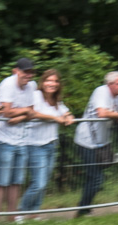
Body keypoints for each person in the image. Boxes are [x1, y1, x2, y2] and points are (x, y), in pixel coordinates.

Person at [74, 71, 118, 217]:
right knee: (96, 178)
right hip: (86, 141)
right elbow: (102, 113)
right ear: (110, 84)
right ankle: (82, 209)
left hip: (102, 143)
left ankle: (85, 208)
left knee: (93, 178)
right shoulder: (101, 91)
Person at [0, 57, 37, 222]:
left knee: (16, 180)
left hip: (20, 138)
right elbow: (6, 112)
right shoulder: (7, 84)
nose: (28, 75)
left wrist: (20, 115)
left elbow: (31, 112)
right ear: (17, 71)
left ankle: (12, 217)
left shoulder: (32, 86)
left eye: (31, 72)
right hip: (1, 137)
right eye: (25, 71)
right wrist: (24, 113)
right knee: (1, 180)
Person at [21, 69, 72, 212]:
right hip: (36, 145)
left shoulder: (56, 100)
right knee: (39, 183)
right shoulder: (36, 96)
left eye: (55, 81)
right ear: (42, 82)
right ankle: (21, 212)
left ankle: (34, 213)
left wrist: (68, 116)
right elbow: (34, 113)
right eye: (49, 80)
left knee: (44, 182)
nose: (52, 84)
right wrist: (55, 118)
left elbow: (65, 111)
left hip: (51, 144)